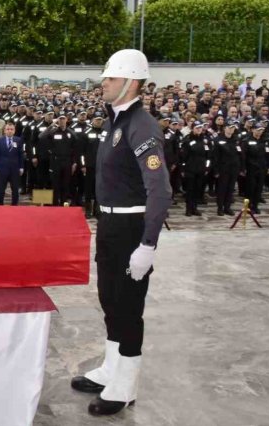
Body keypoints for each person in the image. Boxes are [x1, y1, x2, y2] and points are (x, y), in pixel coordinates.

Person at [71, 49, 171, 417]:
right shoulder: (114, 122)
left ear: (131, 83)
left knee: (129, 307)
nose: (104, 83)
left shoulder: (141, 125)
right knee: (110, 298)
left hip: (131, 227)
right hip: (111, 225)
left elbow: (160, 190)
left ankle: (125, 385)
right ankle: (111, 369)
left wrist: (147, 244)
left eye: (110, 79)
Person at [213, 120, 242, 216]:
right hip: (223, 169)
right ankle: (220, 207)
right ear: (225, 128)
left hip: (233, 168)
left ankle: (227, 207)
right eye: (229, 127)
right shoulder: (218, 140)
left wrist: (240, 167)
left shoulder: (236, 140)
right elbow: (215, 157)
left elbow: (240, 154)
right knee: (222, 189)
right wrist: (216, 170)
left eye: (233, 128)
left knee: (230, 188)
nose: (231, 129)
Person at [179, 121, 209, 217]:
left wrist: (207, 167)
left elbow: (208, 155)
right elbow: (183, 157)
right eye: (197, 128)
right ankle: (188, 209)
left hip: (201, 169)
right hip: (190, 169)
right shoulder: (187, 140)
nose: (199, 129)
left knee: (198, 189)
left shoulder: (205, 140)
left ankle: (194, 208)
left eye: (200, 127)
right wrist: (183, 169)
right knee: (190, 190)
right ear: (192, 129)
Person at [241, 121, 269, 214]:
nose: (259, 132)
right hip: (251, 168)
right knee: (250, 188)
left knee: (259, 188)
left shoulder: (264, 141)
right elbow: (243, 156)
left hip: (261, 168)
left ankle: (256, 205)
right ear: (253, 130)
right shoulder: (246, 141)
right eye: (258, 130)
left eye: (261, 130)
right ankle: (248, 206)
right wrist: (243, 168)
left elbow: (268, 155)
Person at [0, 121, 24, 206]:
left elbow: (21, 155)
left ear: (14, 130)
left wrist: (21, 167)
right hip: (2, 169)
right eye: (8, 129)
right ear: (4, 130)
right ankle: (0, 205)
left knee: (15, 189)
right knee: (1, 189)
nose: (9, 131)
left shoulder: (18, 140)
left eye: (11, 129)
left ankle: (14, 205)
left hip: (15, 169)